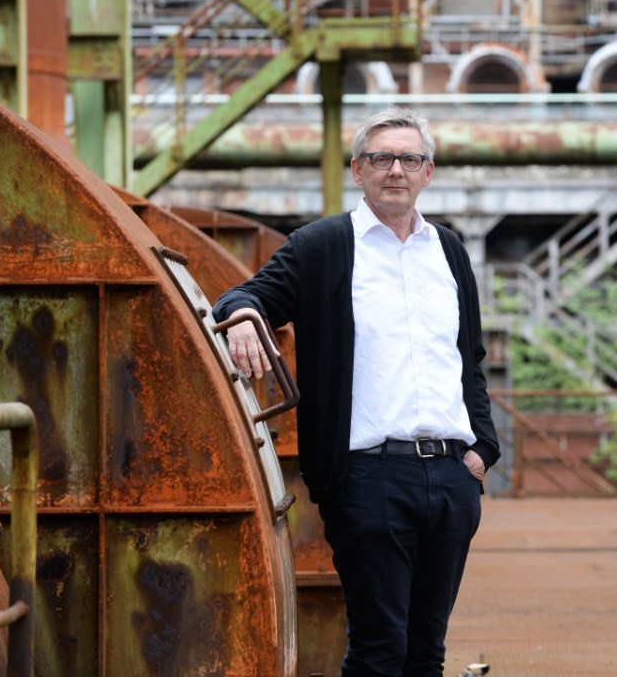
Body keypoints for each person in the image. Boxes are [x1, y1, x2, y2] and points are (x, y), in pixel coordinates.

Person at [213, 106, 501, 677]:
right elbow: (247, 296)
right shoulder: (323, 246)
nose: (396, 169)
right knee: (378, 649)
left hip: (450, 479)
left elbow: (468, 359)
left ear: (428, 172)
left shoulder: (450, 252)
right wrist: (244, 315)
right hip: (369, 477)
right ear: (358, 169)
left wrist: (482, 448)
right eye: (381, 158)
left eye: (409, 158)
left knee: (426, 653)